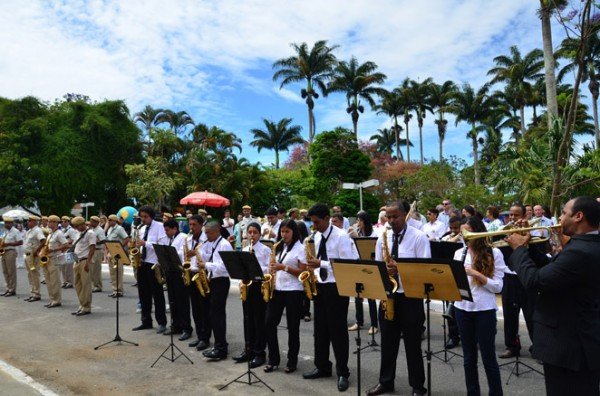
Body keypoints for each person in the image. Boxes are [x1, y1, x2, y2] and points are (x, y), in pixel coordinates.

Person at [506, 196, 600, 395]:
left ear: (578, 216)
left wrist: (519, 249)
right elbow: (551, 270)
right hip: (574, 345)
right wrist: (529, 246)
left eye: (564, 213)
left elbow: (535, 281)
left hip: (568, 349)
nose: (560, 218)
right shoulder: (583, 245)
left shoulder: (581, 251)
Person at [367, 201, 430, 396]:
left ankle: (418, 386)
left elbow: (424, 269)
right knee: (387, 343)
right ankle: (385, 382)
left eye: (396, 217)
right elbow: (378, 266)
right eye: (389, 217)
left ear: (405, 215)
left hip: (410, 297)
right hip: (389, 296)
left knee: (412, 345)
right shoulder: (382, 238)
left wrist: (400, 268)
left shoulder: (419, 237)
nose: (392, 221)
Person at [303, 204, 359, 392]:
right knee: (320, 330)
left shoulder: (341, 237)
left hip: (337, 288)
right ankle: (322, 366)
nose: (314, 226)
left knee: (337, 332)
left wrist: (322, 263)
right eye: (312, 222)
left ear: (327, 218)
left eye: (317, 222)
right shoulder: (317, 236)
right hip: (320, 286)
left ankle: (343, 372)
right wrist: (313, 268)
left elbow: (349, 263)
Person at [453, 217, 506, 396]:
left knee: (488, 357)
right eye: (462, 232)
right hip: (462, 309)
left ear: (478, 232)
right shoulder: (458, 253)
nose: (464, 236)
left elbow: (498, 287)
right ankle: (472, 393)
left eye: (468, 232)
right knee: (468, 358)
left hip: (484, 310)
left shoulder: (495, 253)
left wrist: (476, 273)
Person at [263, 219, 307, 373]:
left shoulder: (300, 248)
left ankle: (292, 361)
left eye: (287, 231)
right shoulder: (279, 247)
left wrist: (284, 267)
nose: (284, 234)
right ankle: (273, 359)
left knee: (293, 327)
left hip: (294, 291)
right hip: (277, 289)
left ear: (294, 232)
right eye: (282, 231)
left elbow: (303, 272)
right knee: (269, 323)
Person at [499, 203, 537, 359]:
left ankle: (538, 347)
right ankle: (512, 346)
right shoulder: (504, 234)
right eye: (511, 215)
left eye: (516, 215)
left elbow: (537, 257)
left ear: (524, 216)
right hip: (510, 278)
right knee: (509, 315)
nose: (513, 218)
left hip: (526, 279)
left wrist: (526, 240)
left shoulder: (532, 234)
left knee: (532, 315)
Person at [233, 222, 270, 367]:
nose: (252, 235)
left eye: (255, 232)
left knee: (258, 319)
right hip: (247, 285)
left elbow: (268, 269)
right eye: (250, 232)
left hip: (259, 286)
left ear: (260, 234)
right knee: (247, 319)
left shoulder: (265, 250)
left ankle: (259, 352)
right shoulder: (245, 248)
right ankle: (248, 349)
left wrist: (256, 268)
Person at [198, 221, 234, 361]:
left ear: (216, 231)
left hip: (221, 281)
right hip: (212, 280)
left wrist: (205, 264)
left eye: (208, 233)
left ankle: (221, 348)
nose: (206, 236)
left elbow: (224, 267)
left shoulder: (224, 244)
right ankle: (218, 345)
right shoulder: (211, 243)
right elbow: (206, 257)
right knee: (212, 314)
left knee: (217, 315)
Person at [132, 205, 168, 333]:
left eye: (145, 217)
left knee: (157, 295)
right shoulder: (141, 228)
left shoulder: (159, 227)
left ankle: (162, 322)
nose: (143, 219)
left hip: (154, 264)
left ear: (151, 216)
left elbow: (162, 245)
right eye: (141, 217)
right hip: (142, 263)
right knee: (143, 294)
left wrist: (145, 243)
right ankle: (146, 321)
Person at [348, 211, 379, 335]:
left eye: (360, 221)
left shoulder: (374, 233)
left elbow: (369, 248)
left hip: (369, 267)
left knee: (371, 297)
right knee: (358, 296)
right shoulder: (358, 233)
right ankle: (359, 322)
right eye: (357, 221)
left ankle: (374, 324)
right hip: (358, 266)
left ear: (365, 222)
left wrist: (357, 238)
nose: (357, 223)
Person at [162, 219, 192, 341]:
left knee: (182, 301)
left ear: (175, 228)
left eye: (167, 230)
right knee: (172, 300)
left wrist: (169, 253)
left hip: (180, 272)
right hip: (171, 271)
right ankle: (176, 325)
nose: (166, 232)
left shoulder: (184, 237)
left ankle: (186, 328)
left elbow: (183, 253)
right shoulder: (170, 238)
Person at [185, 215, 212, 351]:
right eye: (190, 224)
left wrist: (195, 255)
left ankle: (205, 338)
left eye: (194, 224)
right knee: (195, 308)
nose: (191, 227)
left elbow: (208, 257)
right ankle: (199, 335)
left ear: (201, 225)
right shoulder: (188, 239)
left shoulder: (206, 240)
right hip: (191, 274)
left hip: (202, 275)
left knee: (204, 309)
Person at [71, 216, 96, 316]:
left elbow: (92, 248)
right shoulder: (78, 233)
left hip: (85, 260)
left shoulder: (90, 233)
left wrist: (88, 263)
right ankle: (81, 305)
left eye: (77, 226)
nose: (76, 228)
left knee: (85, 285)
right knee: (78, 285)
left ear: (82, 224)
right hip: (77, 260)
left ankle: (86, 307)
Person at [43, 215, 68, 308]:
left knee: (55, 280)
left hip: (54, 258)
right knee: (48, 280)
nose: (48, 223)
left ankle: (57, 300)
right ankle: (52, 299)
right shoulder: (50, 233)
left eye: (49, 221)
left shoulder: (59, 233)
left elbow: (65, 245)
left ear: (55, 223)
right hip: (47, 258)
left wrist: (54, 250)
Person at [105, 214, 129, 297]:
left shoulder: (119, 229)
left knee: (118, 272)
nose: (108, 221)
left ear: (115, 221)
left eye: (110, 220)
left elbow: (126, 239)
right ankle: (115, 290)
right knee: (112, 272)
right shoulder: (110, 229)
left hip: (117, 252)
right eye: (108, 220)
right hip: (110, 252)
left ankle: (119, 291)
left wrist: (120, 247)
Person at [23, 215, 46, 302]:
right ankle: (32, 292)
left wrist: (37, 250)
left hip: (33, 256)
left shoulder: (37, 230)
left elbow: (43, 241)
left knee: (34, 274)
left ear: (34, 222)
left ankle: (36, 294)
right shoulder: (29, 231)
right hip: (28, 255)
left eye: (30, 221)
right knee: (30, 274)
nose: (28, 222)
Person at [1, 216, 23, 296]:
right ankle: (8, 287)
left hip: (11, 251)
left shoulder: (15, 231)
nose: (6, 224)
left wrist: (7, 244)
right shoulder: (6, 231)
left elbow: (20, 242)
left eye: (7, 223)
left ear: (11, 223)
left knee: (11, 271)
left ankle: (12, 289)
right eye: (5, 223)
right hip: (4, 252)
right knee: (5, 271)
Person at [89, 216, 106, 293]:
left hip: (97, 250)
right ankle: (94, 285)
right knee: (92, 269)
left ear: (96, 222)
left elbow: (103, 240)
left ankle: (98, 286)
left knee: (96, 269)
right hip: (92, 250)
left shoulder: (100, 230)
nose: (90, 223)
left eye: (92, 221)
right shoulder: (92, 229)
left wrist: (94, 242)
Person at [60, 216, 78, 289]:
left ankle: (70, 282)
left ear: (67, 222)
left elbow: (74, 240)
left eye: (63, 221)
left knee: (69, 268)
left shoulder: (71, 230)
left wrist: (68, 243)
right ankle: (64, 281)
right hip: (63, 250)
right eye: (61, 221)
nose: (62, 223)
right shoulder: (63, 230)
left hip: (69, 250)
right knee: (63, 267)